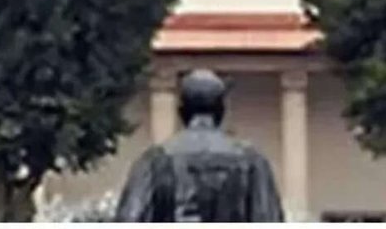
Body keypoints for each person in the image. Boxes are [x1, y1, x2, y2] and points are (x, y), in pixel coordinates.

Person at [115, 69, 285, 222]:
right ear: (221, 111)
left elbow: (129, 218)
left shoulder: (155, 160)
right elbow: (268, 217)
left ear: (181, 111)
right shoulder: (252, 161)